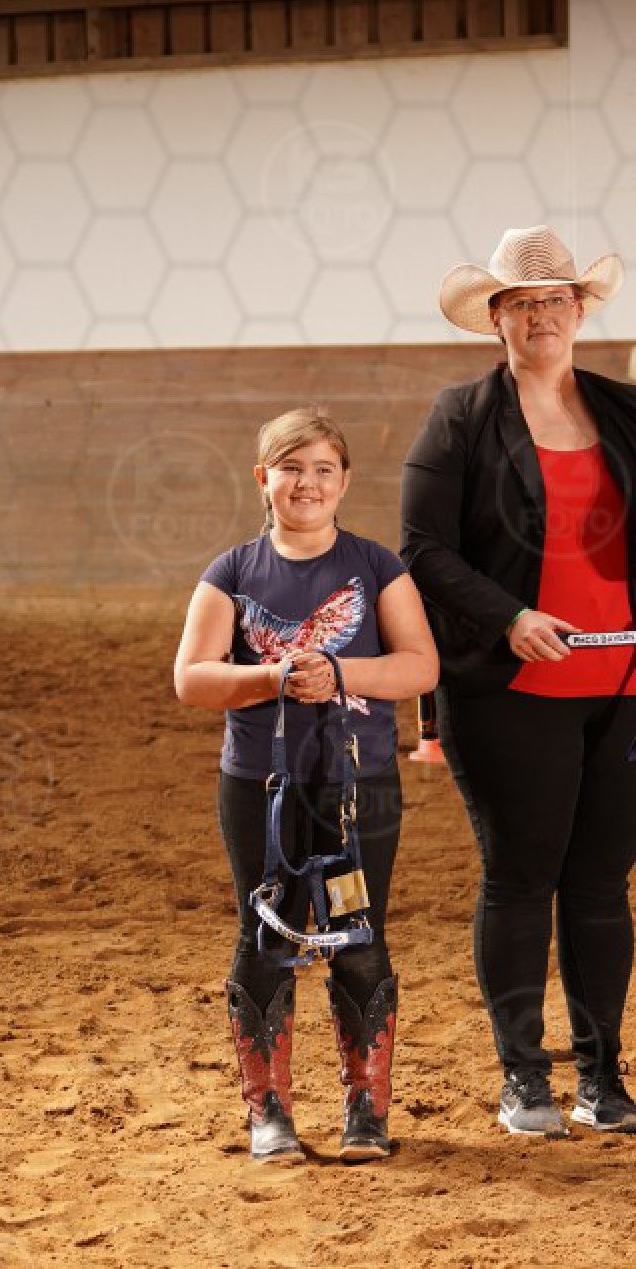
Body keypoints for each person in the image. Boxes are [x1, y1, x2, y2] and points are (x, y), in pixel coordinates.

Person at [401, 226, 636, 1138]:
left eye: (557, 301)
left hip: (626, 685)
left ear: (580, 311)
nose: (543, 316)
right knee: (521, 878)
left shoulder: (631, 410)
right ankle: (524, 1078)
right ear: (496, 317)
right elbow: (424, 549)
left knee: (602, 885)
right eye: (524, 303)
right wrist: (510, 617)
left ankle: (603, 1078)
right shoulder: (460, 417)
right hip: (509, 690)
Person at [174, 408, 439, 1164]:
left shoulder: (376, 566)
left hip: (359, 786)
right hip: (261, 787)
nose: (307, 483)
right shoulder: (230, 573)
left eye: (323, 469)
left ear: (344, 481)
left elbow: (420, 666)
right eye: (291, 468)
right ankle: (270, 1115)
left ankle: (366, 1112)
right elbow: (191, 678)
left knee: (359, 929)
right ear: (265, 479)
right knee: (267, 930)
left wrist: (340, 671)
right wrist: (276, 676)